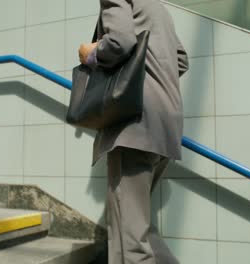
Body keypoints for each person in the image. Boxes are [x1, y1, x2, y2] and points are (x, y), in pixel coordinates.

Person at [78, 0, 189, 263]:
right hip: (165, 127)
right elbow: (181, 60)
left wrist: (90, 53)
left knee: (129, 245)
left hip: (134, 124)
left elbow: (120, 42)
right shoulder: (158, 8)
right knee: (140, 230)